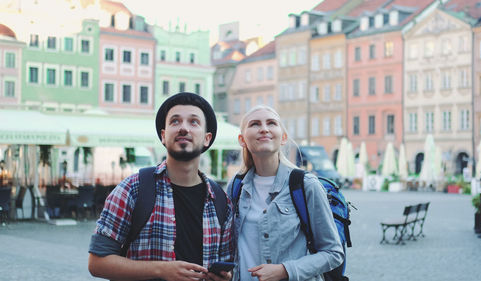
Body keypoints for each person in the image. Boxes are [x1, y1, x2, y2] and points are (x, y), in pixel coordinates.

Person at [88, 92, 234, 281]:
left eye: (194, 122)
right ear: (163, 136)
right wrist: (161, 270)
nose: (183, 128)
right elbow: (97, 263)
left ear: (207, 138)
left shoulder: (221, 202)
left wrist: (224, 277)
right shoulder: (133, 189)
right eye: (175, 121)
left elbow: (226, 269)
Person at [228, 105, 344, 281]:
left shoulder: (305, 185)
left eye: (271, 123)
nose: (264, 129)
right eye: (255, 124)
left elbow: (333, 252)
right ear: (242, 139)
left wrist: (285, 270)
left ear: (283, 137)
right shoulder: (236, 186)